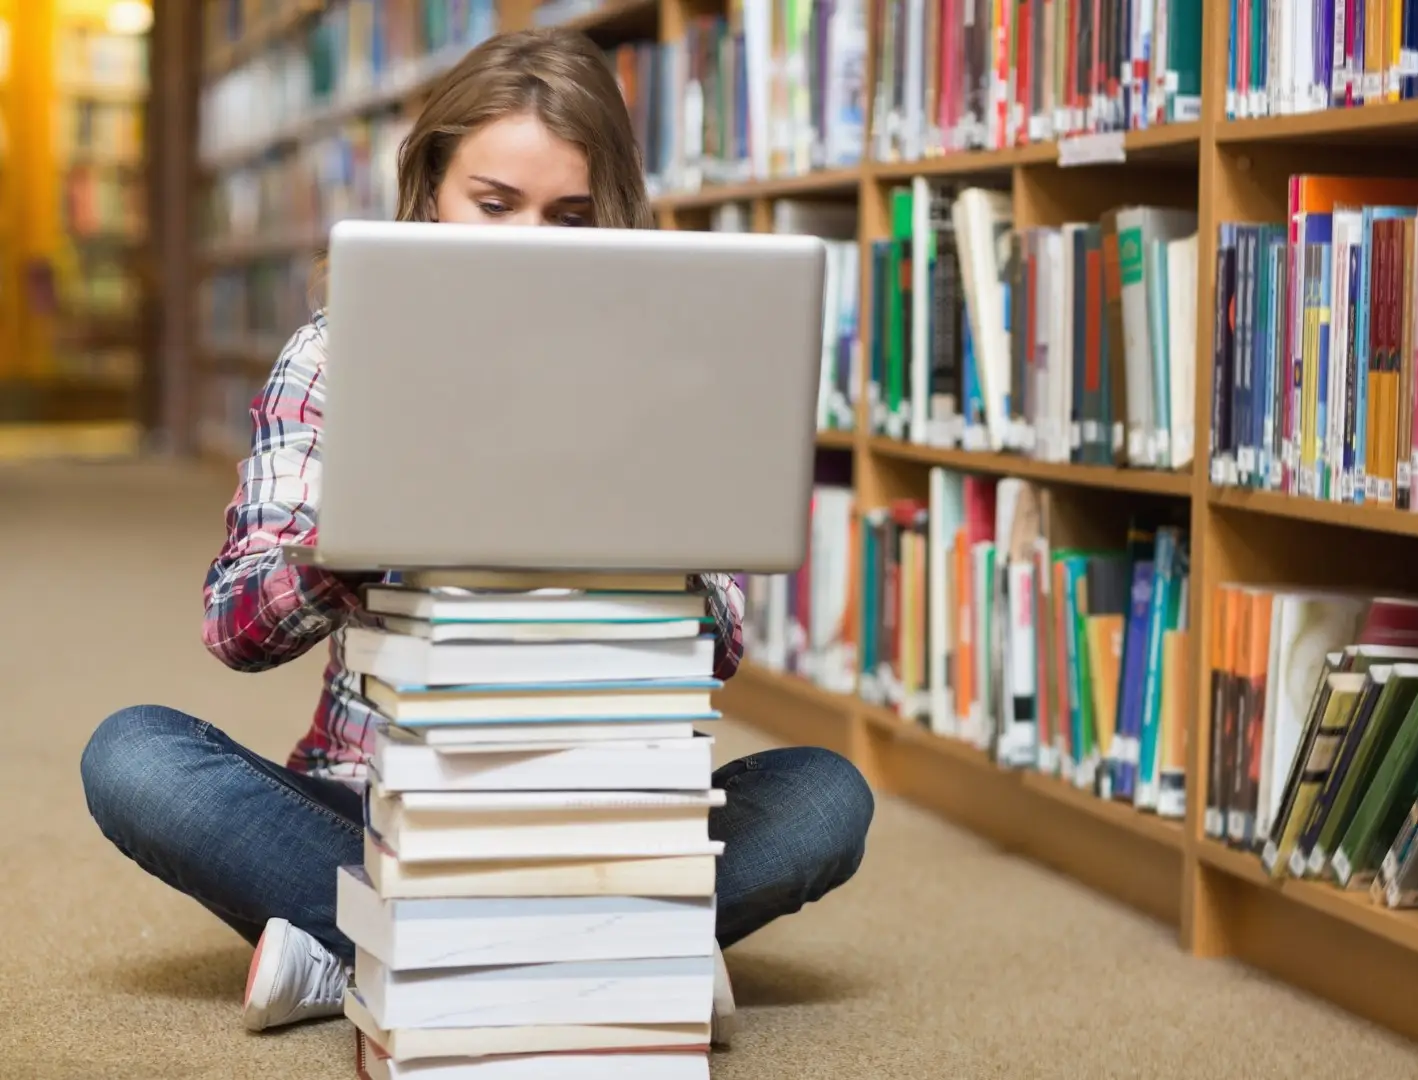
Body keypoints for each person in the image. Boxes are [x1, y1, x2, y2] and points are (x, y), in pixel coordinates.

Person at [78, 28, 874, 1043]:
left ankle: (367, 950)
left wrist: (642, 519)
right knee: (134, 759)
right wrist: (349, 543)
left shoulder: (670, 374)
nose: (527, 245)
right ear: (428, 191)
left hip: (601, 812)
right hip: (375, 805)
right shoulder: (334, 355)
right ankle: (626, 955)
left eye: (570, 217)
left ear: (613, 220)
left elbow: (719, 649)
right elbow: (235, 626)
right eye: (493, 205)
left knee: (825, 801)